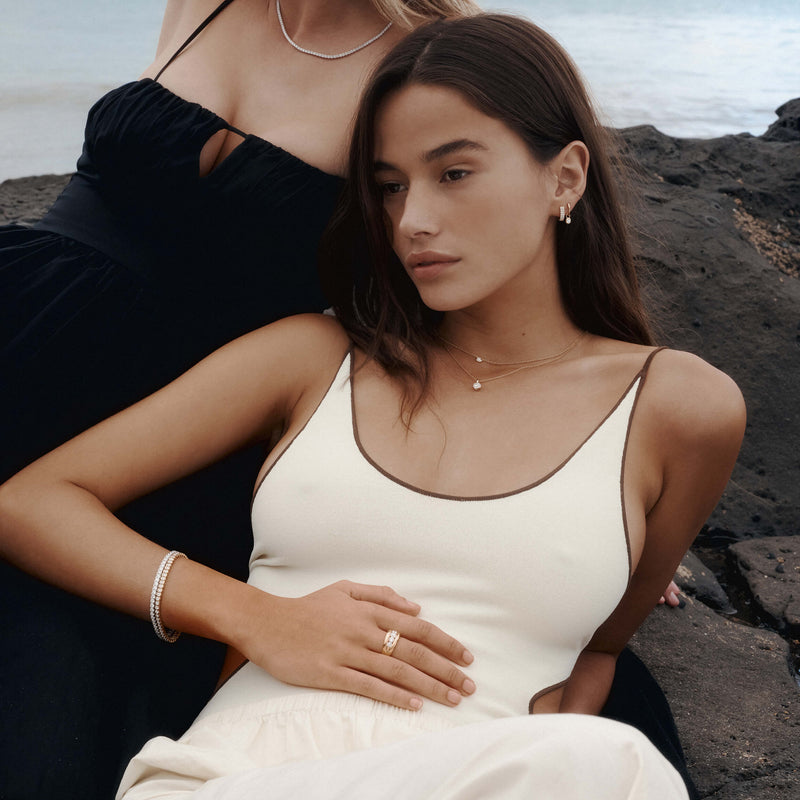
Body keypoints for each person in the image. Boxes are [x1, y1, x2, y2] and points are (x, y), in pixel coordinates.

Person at [0, 13, 745, 799]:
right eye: (388, 188)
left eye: (454, 174)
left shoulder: (682, 410)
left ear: (565, 177)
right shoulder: (313, 359)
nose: (412, 221)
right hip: (235, 772)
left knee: (603, 761)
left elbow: (596, 654)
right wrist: (256, 617)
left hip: (495, 773)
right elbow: (30, 501)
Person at [0, 1, 478, 796]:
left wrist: (586, 460)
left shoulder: (425, 60)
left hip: (170, 413)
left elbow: (468, 260)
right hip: (23, 311)